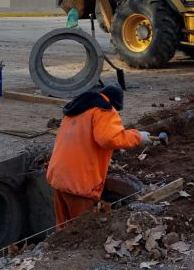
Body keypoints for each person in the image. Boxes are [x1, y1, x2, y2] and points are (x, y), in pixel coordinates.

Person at [46, 83, 150, 227]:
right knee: (81, 230)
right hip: (79, 182)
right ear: (114, 104)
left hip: (59, 176)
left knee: (63, 230)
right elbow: (109, 138)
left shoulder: (79, 108)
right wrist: (138, 137)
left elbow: (87, 140)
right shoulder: (104, 110)